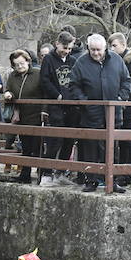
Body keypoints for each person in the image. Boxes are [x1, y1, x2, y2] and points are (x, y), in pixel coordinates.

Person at [68, 34, 131, 193]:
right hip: (91, 113)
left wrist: (120, 98)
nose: (96, 53)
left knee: (112, 148)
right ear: (88, 48)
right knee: (91, 149)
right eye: (93, 50)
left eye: (98, 50)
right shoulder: (81, 62)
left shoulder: (116, 60)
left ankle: (112, 180)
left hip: (113, 112)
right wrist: (84, 102)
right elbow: (74, 85)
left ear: (105, 48)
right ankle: (91, 181)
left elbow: (126, 81)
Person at [39, 31, 80, 186]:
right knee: (55, 139)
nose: (67, 51)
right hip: (56, 104)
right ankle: (46, 174)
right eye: (64, 48)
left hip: (71, 106)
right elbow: (44, 80)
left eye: (69, 48)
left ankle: (61, 172)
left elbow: (76, 80)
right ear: (57, 44)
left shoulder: (73, 60)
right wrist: (57, 95)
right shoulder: (48, 59)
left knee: (69, 138)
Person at [108, 33, 131, 186]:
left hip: (128, 107)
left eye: (114, 45)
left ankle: (128, 174)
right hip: (120, 107)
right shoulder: (115, 61)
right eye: (110, 46)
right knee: (121, 141)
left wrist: (123, 90)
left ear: (123, 45)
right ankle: (121, 172)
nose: (112, 48)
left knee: (128, 141)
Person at [3, 49, 44, 184]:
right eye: (16, 64)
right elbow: (9, 89)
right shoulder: (13, 76)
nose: (20, 66)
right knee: (25, 147)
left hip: (36, 115)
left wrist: (44, 111)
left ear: (28, 61)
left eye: (22, 63)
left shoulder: (37, 73)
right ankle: (25, 175)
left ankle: (42, 174)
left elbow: (45, 92)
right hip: (21, 115)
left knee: (37, 147)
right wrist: (8, 94)